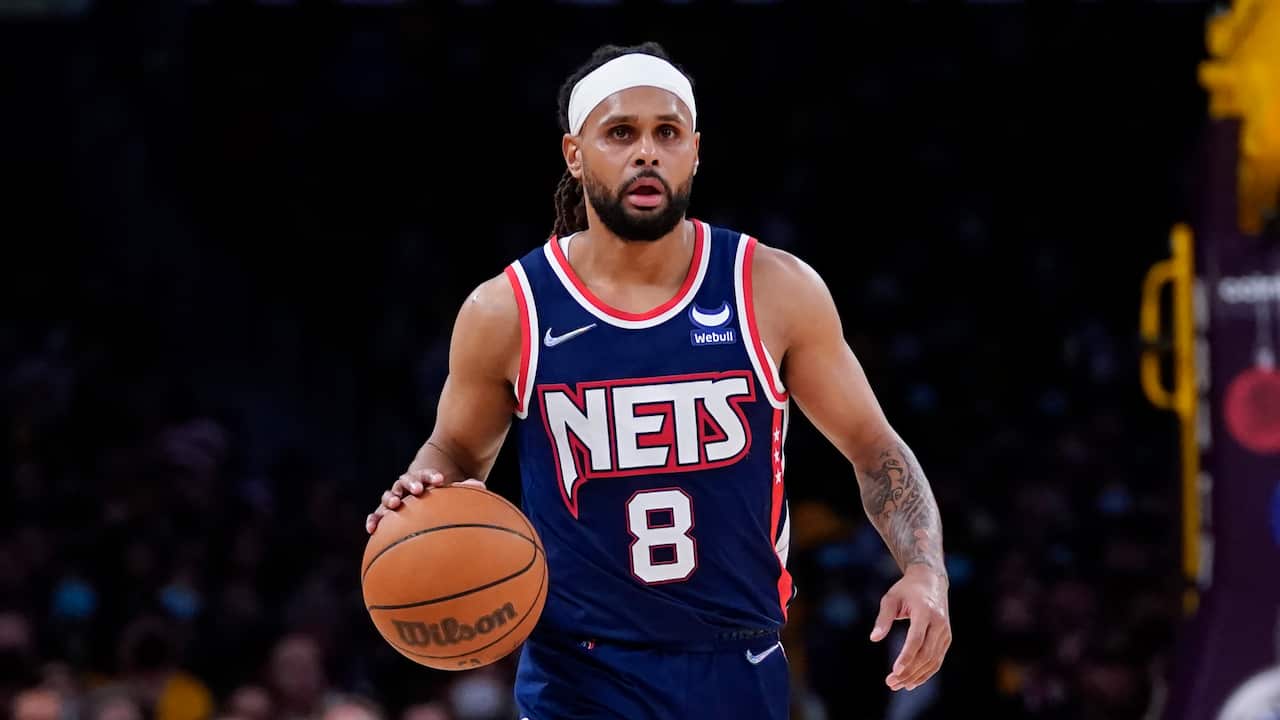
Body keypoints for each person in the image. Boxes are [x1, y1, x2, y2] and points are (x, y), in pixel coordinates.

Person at [367, 41, 952, 718]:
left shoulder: (772, 289)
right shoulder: (508, 310)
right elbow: (455, 452)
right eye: (621, 133)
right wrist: (420, 488)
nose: (647, 152)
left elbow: (874, 447)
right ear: (574, 154)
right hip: (577, 674)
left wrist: (925, 569)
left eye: (666, 133)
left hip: (738, 660)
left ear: (694, 152)